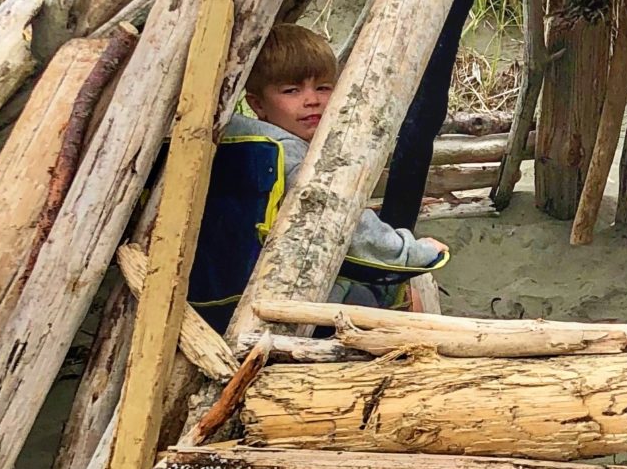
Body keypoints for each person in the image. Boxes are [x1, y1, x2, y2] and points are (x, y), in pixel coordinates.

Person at [187, 20, 448, 328]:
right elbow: (357, 234)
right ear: (256, 103)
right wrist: (419, 252)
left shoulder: (224, 136)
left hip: (205, 302)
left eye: (323, 88)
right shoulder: (286, 152)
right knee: (393, 292)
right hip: (277, 307)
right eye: (291, 90)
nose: (311, 100)